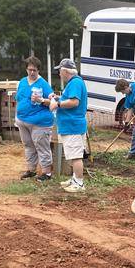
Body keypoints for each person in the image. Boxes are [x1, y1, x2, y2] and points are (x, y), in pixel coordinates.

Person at [15, 56, 55, 182]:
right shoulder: (22, 82)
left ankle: (46, 173)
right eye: (30, 69)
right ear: (26, 69)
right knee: (28, 145)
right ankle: (31, 170)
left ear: (38, 71)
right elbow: (18, 99)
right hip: (22, 120)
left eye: (35, 70)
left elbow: (52, 101)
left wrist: (41, 100)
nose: (32, 72)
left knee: (41, 146)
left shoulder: (43, 84)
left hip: (40, 122)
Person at [50, 59, 88, 192]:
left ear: (65, 71)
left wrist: (58, 104)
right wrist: (57, 98)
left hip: (73, 126)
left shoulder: (75, 83)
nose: (59, 74)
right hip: (71, 125)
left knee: (76, 156)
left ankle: (79, 183)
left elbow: (74, 102)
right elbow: (70, 99)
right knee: (72, 155)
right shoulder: (74, 83)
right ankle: (75, 179)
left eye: (60, 71)